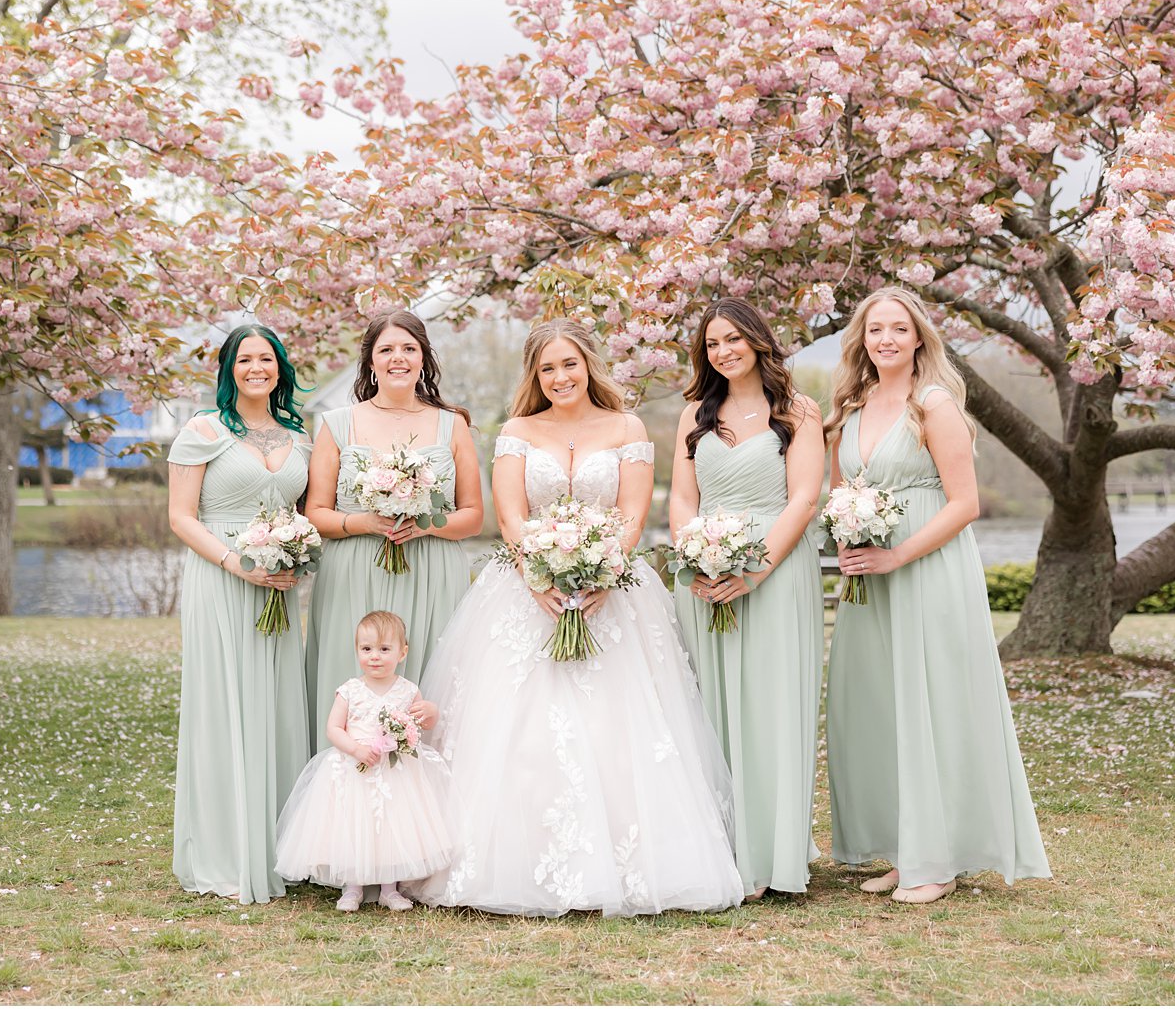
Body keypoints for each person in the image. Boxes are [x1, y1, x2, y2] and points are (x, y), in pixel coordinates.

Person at [410, 318, 745, 918]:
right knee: (518, 730)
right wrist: (540, 573)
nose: (560, 377)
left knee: (624, 725)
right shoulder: (516, 431)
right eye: (547, 369)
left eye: (569, 364)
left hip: (613, 589)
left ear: (589, 364)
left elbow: (632, 516)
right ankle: (508, 861)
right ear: (535, 377)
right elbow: (510, 517)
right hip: (524, 591)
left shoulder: (627, 427)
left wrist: (601, 575)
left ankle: (634, 864)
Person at [824, 286, 1051, 904]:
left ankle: (940, 860)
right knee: (881, 706)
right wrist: (850, 538)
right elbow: (841, 491)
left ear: (919, 336)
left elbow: (966, 503)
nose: (887, 339)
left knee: (932, 703)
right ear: (862, 340)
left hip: (927, 570)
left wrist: (897, 552)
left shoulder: (935, 405)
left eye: (899, 328)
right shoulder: (850, 404)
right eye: (876, 331)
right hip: (867, 579)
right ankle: (906, 848)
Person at [669, 298, 826, 901]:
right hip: (705, 577)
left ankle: (772, 853)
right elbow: (682, 500)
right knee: (710, 709)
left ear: (759, 341)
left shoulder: (799, 410)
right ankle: (721, 849)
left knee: (770, 707)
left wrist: (753, 571)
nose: (724, 351)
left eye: (734, 338)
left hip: (776, 572)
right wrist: (699, 557)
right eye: (712, 343)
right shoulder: (693, 415)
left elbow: (804, 500)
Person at [166, 324, 312, 904]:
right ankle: (228, 854)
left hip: (277, 581)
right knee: (225, 704)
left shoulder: (300, 434)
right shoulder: (203, 430)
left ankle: (281, 847)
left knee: (276, 705)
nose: (258, 367)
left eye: (267, 358)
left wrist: (295, 557)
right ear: (227, 369)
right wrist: (235, 562)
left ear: (281, 367)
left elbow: (305, 510)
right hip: (222, 576)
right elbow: (180, 517)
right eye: (245, 358)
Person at [303, 309, 480, 746]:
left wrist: (426, 526)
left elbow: (474, 516)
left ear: (423, 359)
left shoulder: (452, 424)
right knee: (352, 685)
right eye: (386, 349)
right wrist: (361, 521)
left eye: (409, 348)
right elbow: (316, 513)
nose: (397, 358)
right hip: (354, 571)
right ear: (370, 361)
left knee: (431, 679)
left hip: (432, 570)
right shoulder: (337, 424)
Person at [274, 611, 455, 912]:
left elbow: (417, 725)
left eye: (384, 649)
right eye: (366, 649)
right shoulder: (350, 690)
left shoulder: (408, 690)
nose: (375, 657)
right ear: (357, 650)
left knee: (393, 827)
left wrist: (420, 721)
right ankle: (352, 887)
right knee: (352, 825)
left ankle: (389, 888)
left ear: (402, 652)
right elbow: (333, 728)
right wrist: (356, 749)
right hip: (354, 770)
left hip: (395, 772)